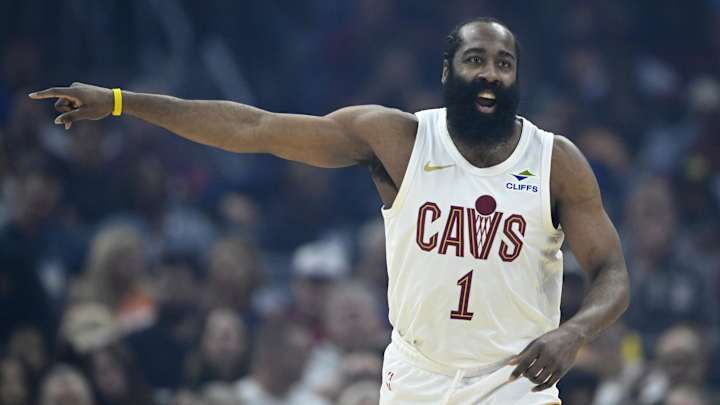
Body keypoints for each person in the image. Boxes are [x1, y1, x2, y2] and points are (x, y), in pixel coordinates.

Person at [31, 17, 630, 405]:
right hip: (417, 380)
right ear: (448, 71)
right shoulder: (398, 139)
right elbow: (254, 128)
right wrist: (121, 102)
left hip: (518, 384)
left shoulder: (554, 160)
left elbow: (613, 273)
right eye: (476, 60)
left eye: (504, 64)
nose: (490, 75)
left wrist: (574, 332)